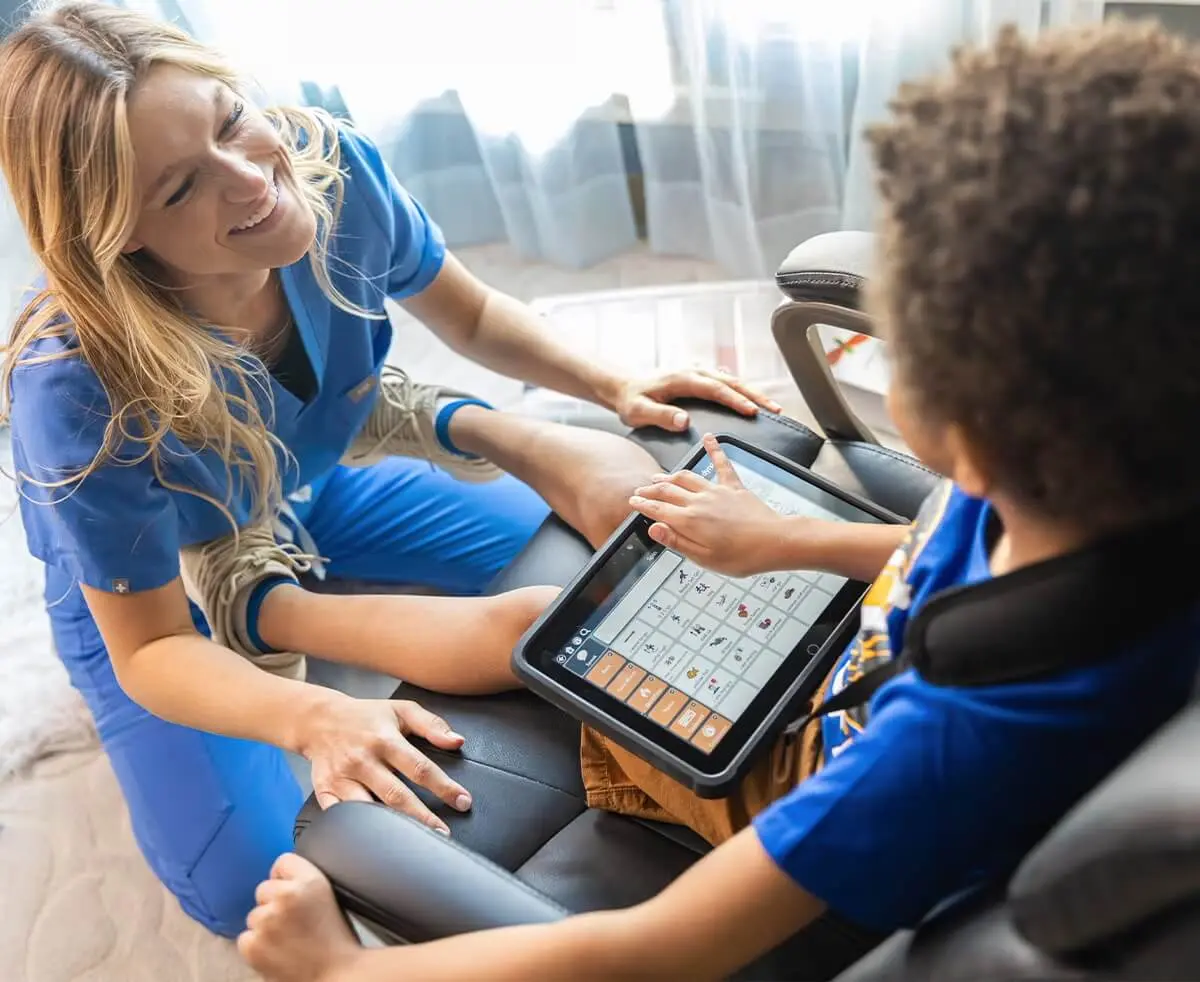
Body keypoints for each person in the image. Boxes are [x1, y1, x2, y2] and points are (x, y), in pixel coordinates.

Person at [238, 19, 1200, 982]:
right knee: (616, 557)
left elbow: (655, 949)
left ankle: (263, 606)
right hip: (876, 648)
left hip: (792, 765)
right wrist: (788, 541)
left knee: (552, 631)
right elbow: (948, 535)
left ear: (973, 437)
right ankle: (362, 513)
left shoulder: (935, 750)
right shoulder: (1109, 479)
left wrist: (336, 970)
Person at [0, 1, 782, 941]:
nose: (251, 180)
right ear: (119, 228)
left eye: (231, 120)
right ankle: (259, 608)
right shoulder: (74, 384)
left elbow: (474, 317)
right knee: (264, 885)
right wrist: (314, 715)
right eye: (181, 189)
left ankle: (284, 587)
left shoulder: (328, 168)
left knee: (593, 582)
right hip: (152, 590)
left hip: (314, 476)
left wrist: (612, 383)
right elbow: (150, 650)